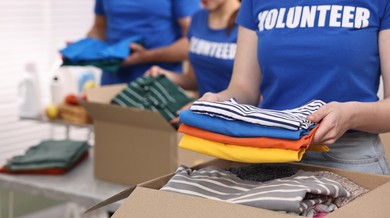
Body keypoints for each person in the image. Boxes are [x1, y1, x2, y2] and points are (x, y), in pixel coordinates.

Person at [199, 0, 390, 174]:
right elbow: (243, 88)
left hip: (347, 155)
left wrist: (351, 115)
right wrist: (219, 101)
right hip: (270, 150)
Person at [87, 0, 200, 85]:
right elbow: (99, 28)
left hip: (158, 86)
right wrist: (82, 48)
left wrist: (146, 56)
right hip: (111, 84)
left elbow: (194, 42)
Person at [146, 0, 241, 97]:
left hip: (236, 108)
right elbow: (194, 80)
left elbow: (250, 91)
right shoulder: (198, 18)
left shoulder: (247, 25)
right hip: (204, 108)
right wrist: (164, 75)